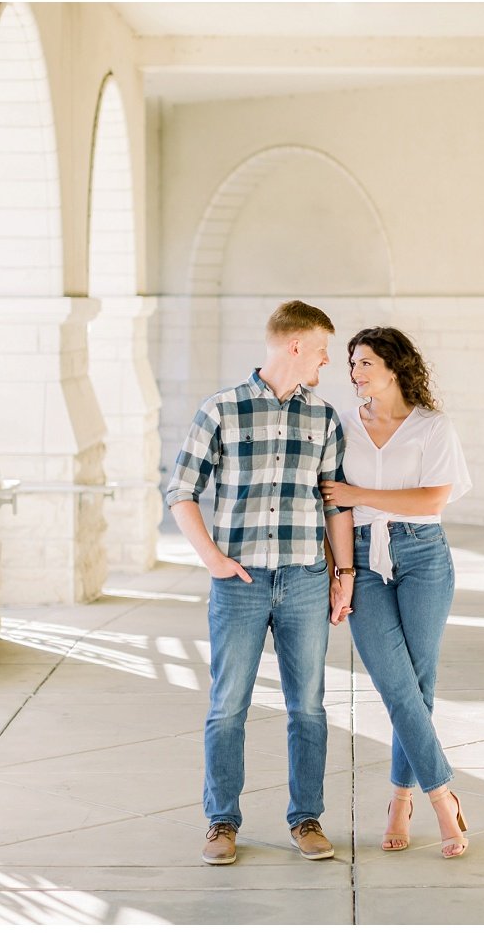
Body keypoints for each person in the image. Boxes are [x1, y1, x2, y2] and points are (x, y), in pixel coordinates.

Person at [165, 300, 356, 867]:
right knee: (228, 706)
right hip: (240, 584)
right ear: (296, 346)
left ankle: (307, 818)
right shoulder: (220, 410)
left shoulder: (323, 418)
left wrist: (342, 575)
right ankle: (221, 821)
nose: (325, 362)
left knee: (309, 708)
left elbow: (335, 504)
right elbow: (180, 491)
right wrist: (214, 560)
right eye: (322, 350)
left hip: (304, 580)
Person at [319, 327, 473, 859]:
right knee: (397, 686)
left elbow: (433, 500)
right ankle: (442, 798)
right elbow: (333, 506)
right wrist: (343, 573)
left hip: (423, 554)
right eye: (352, 364)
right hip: (363, 558)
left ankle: (400, 799)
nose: (355, 373)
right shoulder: (342, 428)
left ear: (393, 366)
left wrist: (360, 493)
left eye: (364, 363)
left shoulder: (432, 426)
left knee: (419, 683)